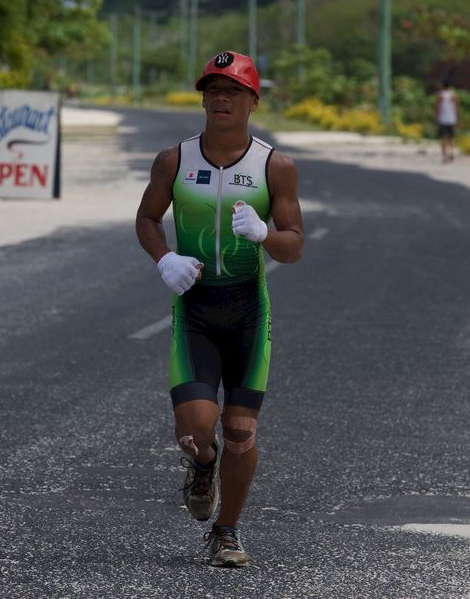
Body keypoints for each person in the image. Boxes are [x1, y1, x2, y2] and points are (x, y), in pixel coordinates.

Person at [135, 50, 305, 568]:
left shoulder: (275, 165)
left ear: (253, 101)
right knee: (195, 431)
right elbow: (147, 218)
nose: (221, 99)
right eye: (213, 90)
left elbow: (295, 244)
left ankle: (226, 532)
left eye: (232, 90)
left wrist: (264, 234)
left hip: (249, 311)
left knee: (240, 430)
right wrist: (164, 260)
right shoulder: (175, 160)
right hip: (196, 310)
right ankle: (202, 466)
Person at [435, 80, 459, 162]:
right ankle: (451, 152)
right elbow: (456, 107)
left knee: (443, 138)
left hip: (443, 119)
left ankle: (444, 155)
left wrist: (436, 118)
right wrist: (457, 118)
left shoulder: (441, 95)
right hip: (451, 119)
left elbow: (438, 107)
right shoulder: (453, 95)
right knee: (451, 137)